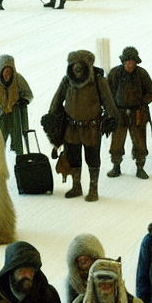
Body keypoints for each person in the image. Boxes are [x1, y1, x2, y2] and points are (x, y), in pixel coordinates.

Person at [44, 49, 118, 202]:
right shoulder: (67, 81)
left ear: (87, 66)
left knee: (92, 158)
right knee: (73, 158)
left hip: (92, 128)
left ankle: (93, 189)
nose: (77, 69)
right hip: (71, 129)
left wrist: (112, 118)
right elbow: (57, 100)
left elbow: (109, 102)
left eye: (80, 65)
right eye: (74, 66)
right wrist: (51, 117)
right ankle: (76, 186)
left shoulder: (98, 81)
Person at [107, 45, 152, 179]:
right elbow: (107, 93)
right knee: (116, 143)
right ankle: (116, 166)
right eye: (126, 61)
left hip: (137, 114)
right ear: (123, 62)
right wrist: (111, 109)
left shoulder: (142, 74)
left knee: (140, 143)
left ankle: (140, 167)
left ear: (136, 62)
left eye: (131, 61)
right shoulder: (114, 73)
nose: (129, 64)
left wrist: (141, 102)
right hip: (119, 114)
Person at [0, 55, 33, 157]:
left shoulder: (18, 79)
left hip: (15, 114)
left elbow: (28, 94)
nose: (8, 75)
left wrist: (23, 100)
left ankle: (19, 159)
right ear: (0, 71)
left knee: (17, 140)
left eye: (10, 72)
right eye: (6, 72)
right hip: (0, 115)